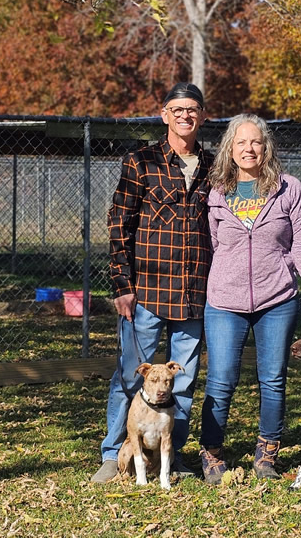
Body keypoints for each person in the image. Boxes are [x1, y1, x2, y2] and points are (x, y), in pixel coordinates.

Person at [199, 113, 301, 484]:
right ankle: (212, 451)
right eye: (241, 142)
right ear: (230, 149)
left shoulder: (288, 188)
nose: (249, 149)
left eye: (256, 142)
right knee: (220, 380)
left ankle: (267, 454)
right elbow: (215, 246)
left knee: (273, 379)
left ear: (266, 147)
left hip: (277, 299)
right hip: (223, 301)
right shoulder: (216, 191)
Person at [91, 82, 212, 483]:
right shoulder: (140, 161)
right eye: (177, 109)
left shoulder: (214, 167)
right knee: (130, 376)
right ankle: (114, 452)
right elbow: (118, 223)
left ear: (202, 115)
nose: (184, 116)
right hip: (146, 293)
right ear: (164, 114)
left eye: (192, 109)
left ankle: (170, 457)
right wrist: (121, 284)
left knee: (184, 381)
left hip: (195, 295)